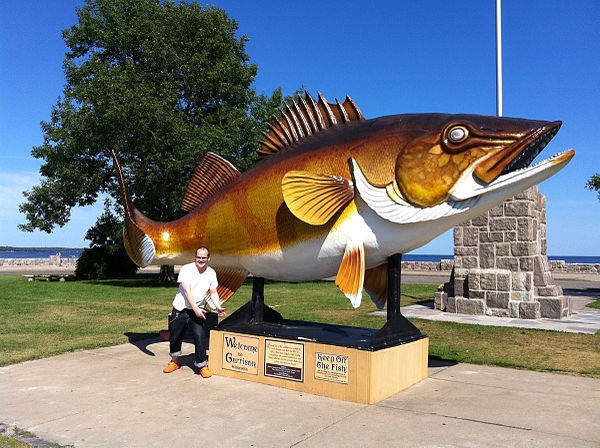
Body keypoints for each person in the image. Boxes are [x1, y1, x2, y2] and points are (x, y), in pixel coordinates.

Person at [163, 247, 226, 377]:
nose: (201, 260)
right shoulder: (187, 269)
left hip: (197, 312)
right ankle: (174, 362)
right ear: (195, 257)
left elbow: (213, 292)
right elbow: (187, 291)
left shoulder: (211, 273)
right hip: (181, 310)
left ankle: (201, 365)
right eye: (198, 257)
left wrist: (218, 306)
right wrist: (196, 308)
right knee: (175, 337)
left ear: (208, 259)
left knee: (200, 337)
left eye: (204, 258)